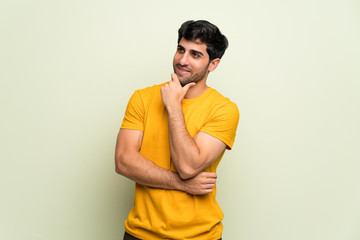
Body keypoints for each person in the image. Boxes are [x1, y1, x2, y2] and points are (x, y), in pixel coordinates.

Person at [115, 20, 239, 240]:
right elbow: (123, 161)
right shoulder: (142, 98)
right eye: (180, 49)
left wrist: (173, 106)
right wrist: (181, 184)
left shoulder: (224, 110)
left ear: (213, 64)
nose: (183, 60)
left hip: (200, 236)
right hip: (140, 234)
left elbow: (188, 166)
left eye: (195, 54)